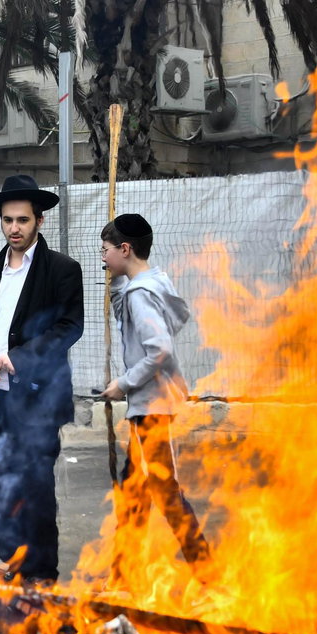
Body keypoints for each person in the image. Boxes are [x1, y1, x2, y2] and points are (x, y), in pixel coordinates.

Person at [0, 175, 84, 584]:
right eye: (8, 220)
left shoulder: (63, 269)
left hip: (37, 399)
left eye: (23, 220)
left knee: (35, 488)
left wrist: (21, 358)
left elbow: (69, 327)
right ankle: (9, 563)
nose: (14, 228)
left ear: (40, 221)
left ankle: (41, 573)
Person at [99, 214, 207, 567]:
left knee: (165, 491)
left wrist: (124, 383)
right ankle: (124, 575)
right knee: (135, 492)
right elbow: (126, 309)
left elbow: (159, 349)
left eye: (106, 250)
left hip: (151, 407)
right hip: (148, 406)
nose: (102, 257)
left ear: (125, 248)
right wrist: (117, 282)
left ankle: (207, 571)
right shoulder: (149, 283)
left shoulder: (141, 295)